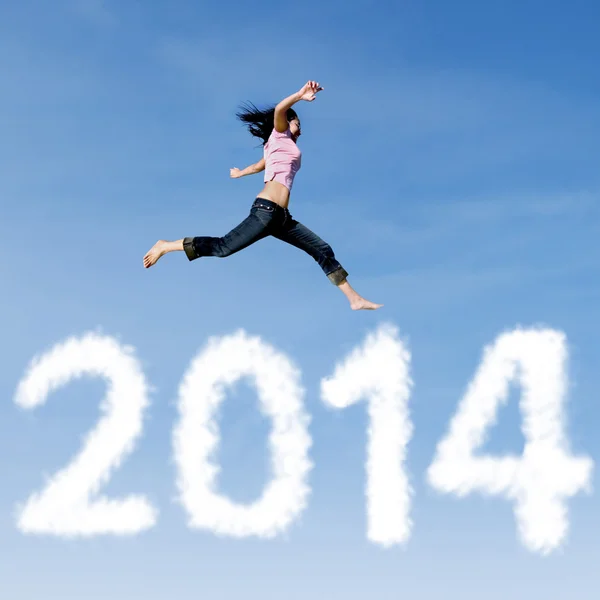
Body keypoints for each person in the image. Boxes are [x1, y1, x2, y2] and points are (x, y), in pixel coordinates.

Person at [143, 80, 383, 311]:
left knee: (322, 249)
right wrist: (300, 96)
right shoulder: (279, 135)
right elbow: (281, 108)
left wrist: (240, 173)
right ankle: (166, 245)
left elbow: (260, 165)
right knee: (223, 248)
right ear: (288, 122)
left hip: (281, 219)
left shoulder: (275, 146)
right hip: (265, 211)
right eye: (298, 123)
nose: (300, 130)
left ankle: (354, 299)